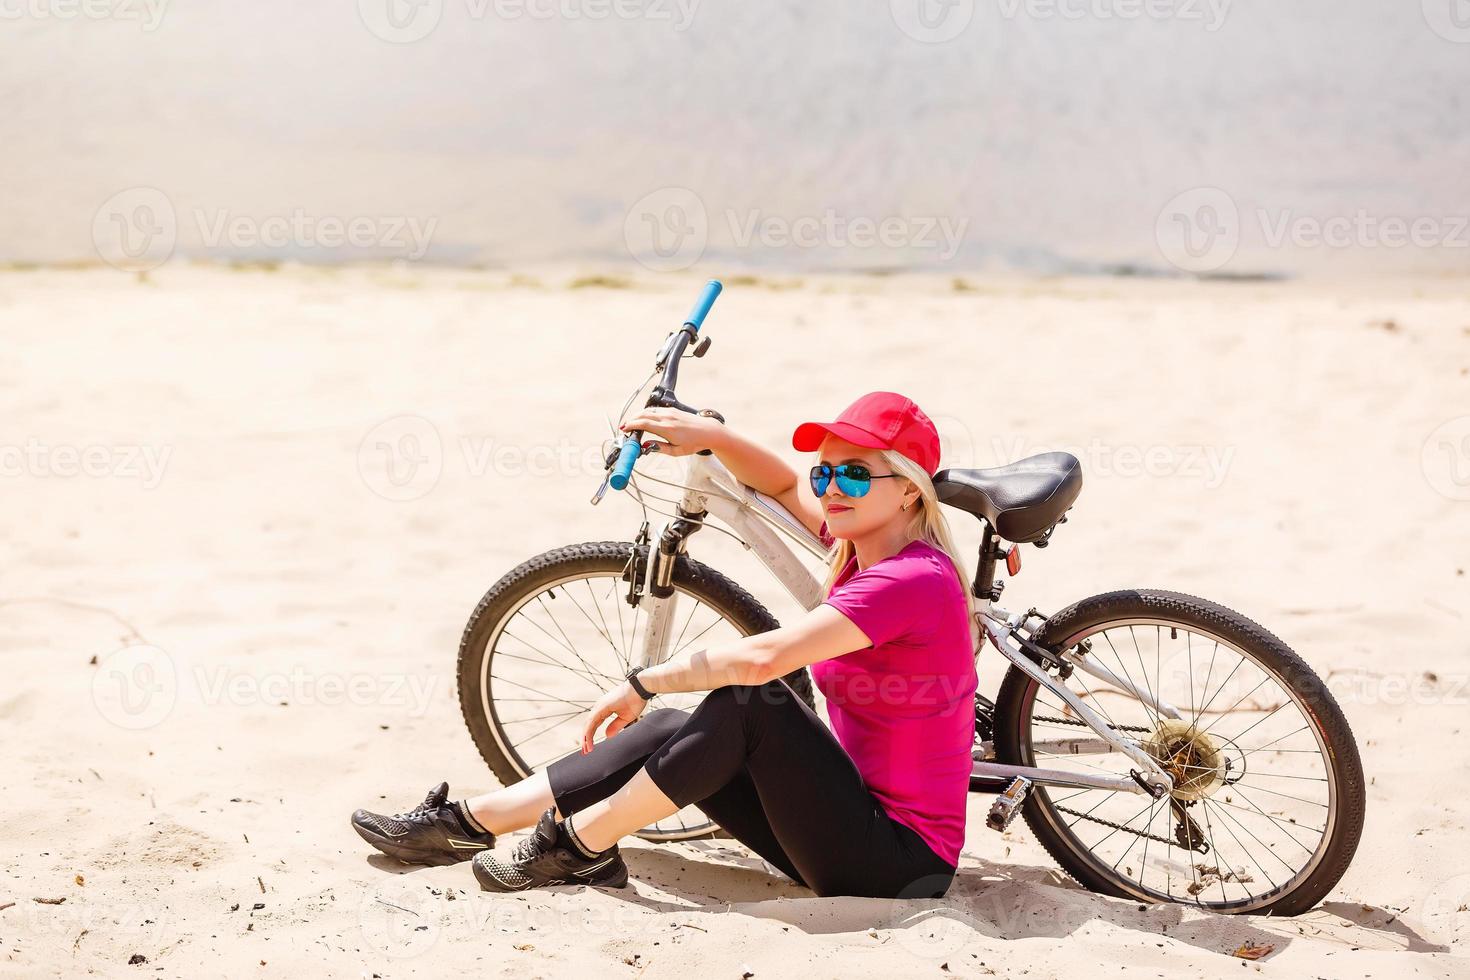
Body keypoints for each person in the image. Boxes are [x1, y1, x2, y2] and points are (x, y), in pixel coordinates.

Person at [350, 391, 980, 899]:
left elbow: (765, 658)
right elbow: (783, 489)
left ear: (908, 488)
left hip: (897, 865)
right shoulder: (862, 551)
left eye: (854, 473)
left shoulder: (911, 580)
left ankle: (580, 847)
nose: (831, 487)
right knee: (673, 726)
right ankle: (467, 824)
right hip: (842, 822)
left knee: (752, 700)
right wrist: (712, 439)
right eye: (826, 471)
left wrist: (642, 681)